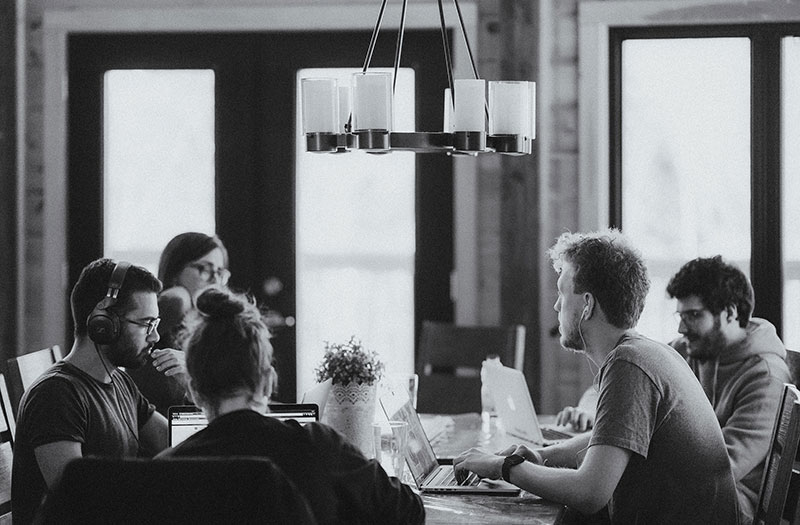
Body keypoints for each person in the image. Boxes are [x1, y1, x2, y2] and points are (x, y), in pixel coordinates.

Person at [453, 229, 739, 524]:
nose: (556, 306)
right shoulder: (647, 353)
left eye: (562, 294)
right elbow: (612, 437)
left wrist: (503, 466)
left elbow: (590, 493)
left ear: (587, 305)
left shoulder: (629, 364)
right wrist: (542, 456)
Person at [157, 287, 424, 525]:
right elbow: (408, 512)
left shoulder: (165, 470)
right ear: (267, 382)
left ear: (193, 389)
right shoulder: (318, 446)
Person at [12, 258, 168, 525]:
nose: (155, 338)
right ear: (103, 322)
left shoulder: (120, 382)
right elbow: (75, 501)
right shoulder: (56, 394)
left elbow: (174, 442)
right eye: (146, 325)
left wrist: (198, 383)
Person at [667, 255, 790, 524]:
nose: (681, 327)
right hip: (687, 487)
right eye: (680, 315)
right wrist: (588, 411)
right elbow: (630, 386)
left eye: (694, 315)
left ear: (731, 313)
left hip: (732, 502)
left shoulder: (765, 375)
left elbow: (722, 468)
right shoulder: (685, 350)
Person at [129, 232, 230, 416]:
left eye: (220, 272)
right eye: (205, 269)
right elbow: (173, 300)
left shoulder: (214, 325)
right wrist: (180, 295)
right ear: (176, 272)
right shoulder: (171, 308)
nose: (215, 280)